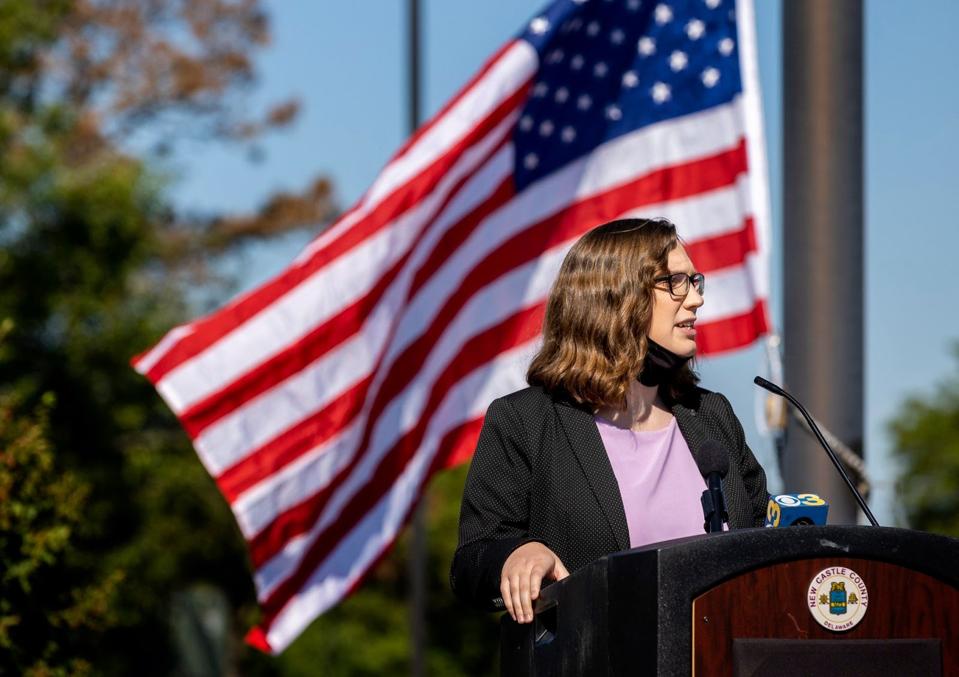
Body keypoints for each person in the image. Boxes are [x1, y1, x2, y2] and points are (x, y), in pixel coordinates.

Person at [449, 217, 768, 624]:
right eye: (675, 283)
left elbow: (762, 532)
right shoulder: (526, 421)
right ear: (617, 297)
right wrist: (517, 554)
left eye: (695, 282)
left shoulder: (711, 415)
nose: (695, 299)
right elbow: (472, 560)